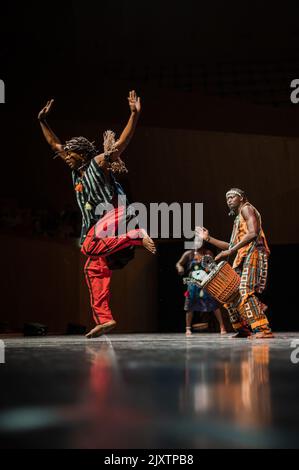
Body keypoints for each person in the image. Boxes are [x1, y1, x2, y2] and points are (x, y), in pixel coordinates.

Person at [38, 91, 156, 338]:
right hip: (96, 226)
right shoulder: (75, 172)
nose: (66, 157)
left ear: (81, 152)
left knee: (88, 247)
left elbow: (122, 143)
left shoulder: (98, 163)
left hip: (114, 215)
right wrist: (43, 121)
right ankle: (105, 319)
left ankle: (136, 235)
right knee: (93, 269)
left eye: (70, 154)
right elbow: (54, 144)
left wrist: (134, 114)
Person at [197, 188, 273, 339]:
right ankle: (244, 328)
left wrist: (230, 252)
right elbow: (231, 245)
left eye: (232, 197)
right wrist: (208, 238)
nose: (229, 200)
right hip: (243, 257)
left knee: (245, 291)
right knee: (232, 295)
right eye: (227, 198)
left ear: (242, 198)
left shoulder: (247, 208)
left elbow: (253, 233)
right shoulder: (238, 219)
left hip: (255, 254)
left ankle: (263, 329)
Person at [176, 245, 227, 336]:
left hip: (206, 283)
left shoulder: (208, 253)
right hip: (193, 284)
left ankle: (222, 326)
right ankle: (188, 328)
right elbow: (179, 263)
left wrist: (210, 267)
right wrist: (180, 267)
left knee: (214, 304)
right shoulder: (189, 254)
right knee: (189, 305)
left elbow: (213, 266)